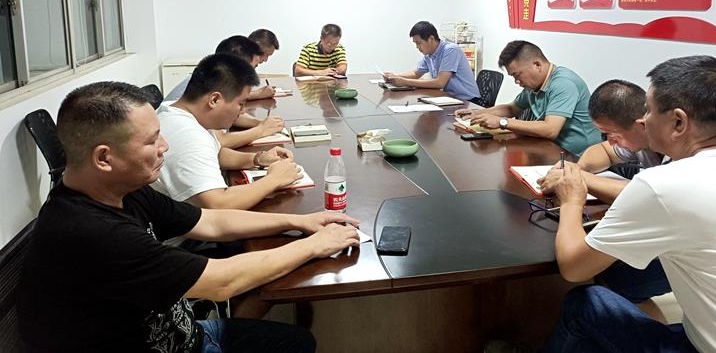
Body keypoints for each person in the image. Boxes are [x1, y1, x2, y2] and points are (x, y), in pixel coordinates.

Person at [16, 81, 360, 352]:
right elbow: (222, 282)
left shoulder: (123, 190)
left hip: (185, 332)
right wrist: (314, 246)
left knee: (296, 341)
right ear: (104, 158)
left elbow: (211, 221)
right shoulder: (92, 232)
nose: (164, 146)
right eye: (151, 140)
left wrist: (299, 222)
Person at [541, 56, 716, 352]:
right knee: (625, 282)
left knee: (586, 303)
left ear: (678, 122)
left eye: (649, 110)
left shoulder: (663, 184)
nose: (644, 120)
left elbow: (574, 268)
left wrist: (572, 200)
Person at [539, 79, 670, 318]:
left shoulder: (678, 156)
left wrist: (578, 181)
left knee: (611, 279)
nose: (609, 140)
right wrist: (578, 168)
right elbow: (603, 151)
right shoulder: (642, 139)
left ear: (641, 124)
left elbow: (648, 195)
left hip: (685, 256)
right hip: (667, 236)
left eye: (611, 134)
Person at [153, 54, 301, 210]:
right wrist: (274, 179)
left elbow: (215, 153)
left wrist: (258, 158)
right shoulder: (188, 135)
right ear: (214, 100)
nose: (242, 111)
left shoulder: (174, 109)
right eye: (240, 103)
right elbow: (218, 204)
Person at [455, 40, 600, 156]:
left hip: (576, 155)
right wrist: (477, 113)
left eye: (517, 75)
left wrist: (502, 122)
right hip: (548, 147)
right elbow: (512, 108)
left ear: (537, 65)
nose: (516, 82)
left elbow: (550, 129)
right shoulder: (534, 85)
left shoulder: (564, 84)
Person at [382, 21, 480, 102]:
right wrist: (394, 76)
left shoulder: (451, 50)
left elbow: (439, 83)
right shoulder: (429, 54)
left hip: (468, 101)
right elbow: (416, 73)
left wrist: (405, 82)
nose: (417, 47)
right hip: (449, 98)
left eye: (419, 43)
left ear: (431, 39)